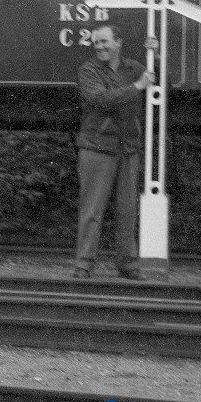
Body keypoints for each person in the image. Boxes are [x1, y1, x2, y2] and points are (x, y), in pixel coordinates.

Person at [73, 23, 154, 281]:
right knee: (92, 210)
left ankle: (127, 264)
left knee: (128, 210)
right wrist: (137, 88)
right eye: (96, 42)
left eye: (104, 41)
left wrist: (157, 55)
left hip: (127, 148)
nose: (100, 46)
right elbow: (100, 99)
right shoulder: (88, 70)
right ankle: (83, 265)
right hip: (97, 147)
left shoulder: (134, 69)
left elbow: (163, 82)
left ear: (118, 42)